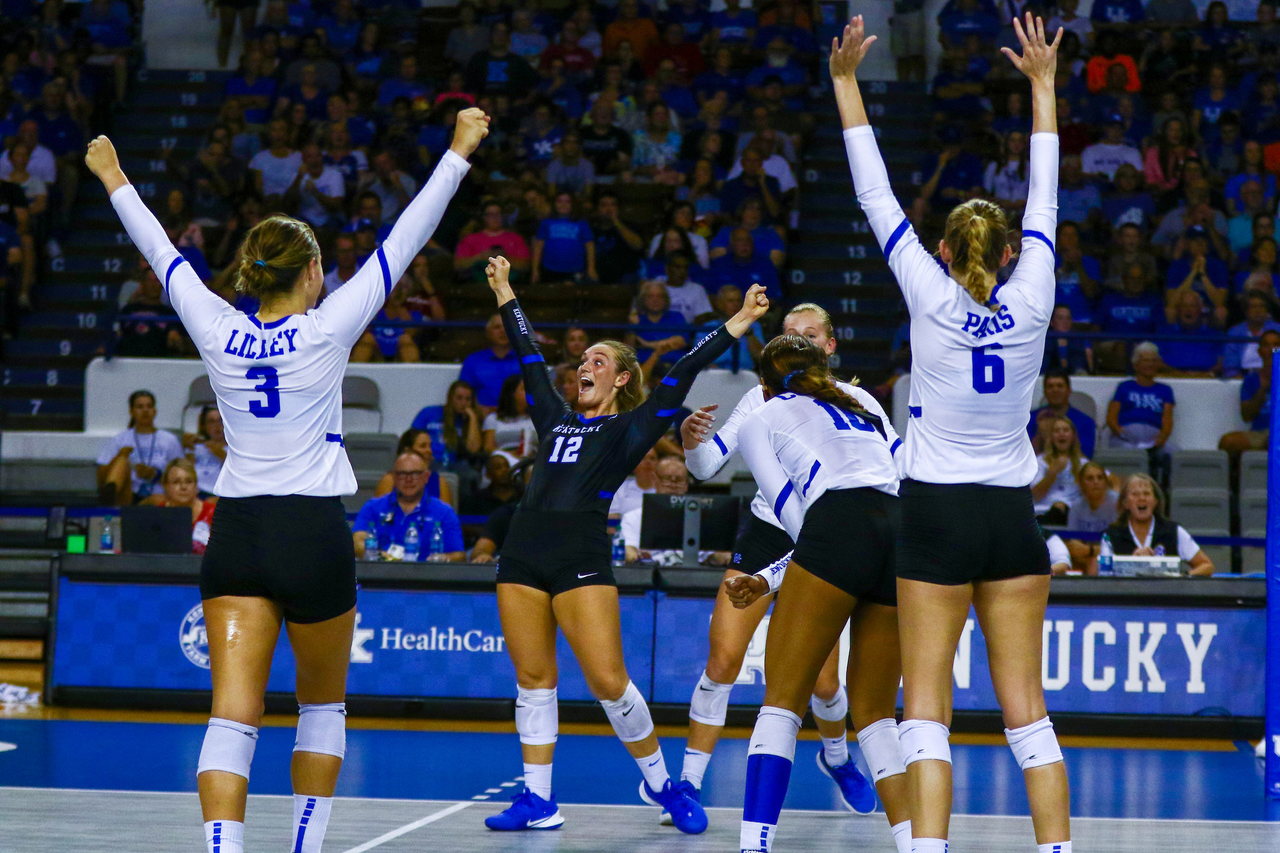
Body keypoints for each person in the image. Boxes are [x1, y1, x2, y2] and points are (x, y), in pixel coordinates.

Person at [85, 107, 488, 853]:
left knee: (231, 715)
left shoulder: (212, 323)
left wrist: (113, 177)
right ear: (310, 273)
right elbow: (406, 241)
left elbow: (159, 248)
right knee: (322, 708)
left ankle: (222, 849)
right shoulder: (329, 325)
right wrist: (459, 152)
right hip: (311, 531)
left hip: (236, 531)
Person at [833, 15, 1071, 853]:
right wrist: (1042, 85)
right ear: (1008, 254)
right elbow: (1046, 192)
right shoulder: (1035, 289)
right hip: (1010, 515)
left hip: (933, 511)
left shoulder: (929, 296)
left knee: (924, 709)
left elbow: (873, 195)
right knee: (1028, 714)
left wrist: (845, 82)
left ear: (944, 249)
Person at [479, 253, 768, 835]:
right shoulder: (552, 415)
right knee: (533, 681)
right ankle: (539, 801)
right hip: (522, 554)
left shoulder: (630, 427)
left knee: (610, 683)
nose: (585, 365)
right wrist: (505, 290)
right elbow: (528, 352)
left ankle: (663, 786)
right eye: (583, 360)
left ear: (621, 379)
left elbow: (683, 368)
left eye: (599, 360)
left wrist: (737, 322)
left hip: (580, 557)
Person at [679, 302, 898, 821]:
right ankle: (686, 784)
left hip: (831, 539)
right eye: (788, 334)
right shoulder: (761, 399)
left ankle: (838, 759)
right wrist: (691, 445)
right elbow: (709, 465)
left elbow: (894, 475)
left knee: (823, 683)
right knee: (723, 659)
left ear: (829, 346)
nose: (796, 341)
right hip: (770, 532)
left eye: (809, 334)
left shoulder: (858, 401)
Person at [352, 450, 466, 562]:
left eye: (415, 473)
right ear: (394, 478)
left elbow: (458, 555)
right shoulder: (373, 507)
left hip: (427, 577)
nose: (409, 480)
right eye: (403, 474)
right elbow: (357, 544)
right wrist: (384, 558)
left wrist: (436, 560)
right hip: (381, 574)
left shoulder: (444, 512)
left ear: (426, 477)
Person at [620, 455, 731, 566]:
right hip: (649, 576)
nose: (673, 485)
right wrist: (633, 555)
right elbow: (628, 551)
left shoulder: (704, 518)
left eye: (679, 480)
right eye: (667, 478)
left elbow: (713, 556)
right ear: (655, 479)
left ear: (687, 484)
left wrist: (722, 557)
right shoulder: (633, 517)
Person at [1103, 474, 1214, 576]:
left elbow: (1207, 566)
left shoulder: (1173, 531)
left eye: (1147, 493)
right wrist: (1132, 564)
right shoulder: (1111, 536)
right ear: (1125, 503)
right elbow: (1104, 576)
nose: (1142, 498)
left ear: (1155, 501)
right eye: (1135, 494)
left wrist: (1181, 577)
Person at [96, 389, 187, 506]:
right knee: (122, 461)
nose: (145, 410)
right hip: (128, 494)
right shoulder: (120, 439)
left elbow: (182, 475)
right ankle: (107, 503)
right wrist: (120, 456)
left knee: (158, 499)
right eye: (140, 407)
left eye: (149, 406)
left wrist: (156, 475)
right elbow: (100, 478)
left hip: (160, 495)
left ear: (154, 411)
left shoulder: (169, 440)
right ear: (132, 412)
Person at [1219, 329, 1280, 458]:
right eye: (1266, 345)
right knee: (1228, 442)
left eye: (1276, 344)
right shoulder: (1251, 380)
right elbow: (1247, 416)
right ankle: (1237, 477)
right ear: (1259, 352)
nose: (1271, 349)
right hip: (1259, 433)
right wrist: (1263, 388)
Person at [1106, 342, 1175, 451]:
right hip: (1126, 436)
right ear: (1135, 365)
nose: (1150, 364)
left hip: (1153, 436)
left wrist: (1162, 437)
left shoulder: (1165, 390)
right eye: (1146, 360)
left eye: (1154, 361)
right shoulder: (1124, 386)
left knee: (1174, 453)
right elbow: (1111, 418)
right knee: (1129, 451)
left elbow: (1167, 420)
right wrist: (1121, 432)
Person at [142, 458, 218, 554]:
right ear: (165, 486)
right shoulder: (157, 514)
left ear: (196, 486)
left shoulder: (214, 513)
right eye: (176, 482)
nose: (183, 487)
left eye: (189, 481)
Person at [411, 380, 484, 472]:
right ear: (450, 398)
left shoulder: (468, 421)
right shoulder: (429, 413)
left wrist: (472, 417)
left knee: (470, 475)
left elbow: (473, 449)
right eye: (459, 398)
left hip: (455, 463)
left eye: (468, 399)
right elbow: (412, 439)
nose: (463, 402)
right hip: (430, 459)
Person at [459, 313, 521, 413]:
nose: (502, 331)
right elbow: (463, 393)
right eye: (497, 327)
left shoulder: (526, 360)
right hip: (481, 417)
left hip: (519, 419)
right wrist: (478, 410)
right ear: (488, 333)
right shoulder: (473, 360)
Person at [371, 429, 452, 506]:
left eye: (430, 446)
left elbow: (446, 518)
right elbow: (379, 516)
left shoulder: (440, 483)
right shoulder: (389, 481)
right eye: (423, 446)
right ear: (408, 450)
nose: (429, 450)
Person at [1064, 461, 1119, 574]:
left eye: (1100, 477)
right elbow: (1073, 545)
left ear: (1106, 482)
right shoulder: (1076, 507)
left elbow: (1120, 545)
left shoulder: (1118, 504)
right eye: (1090, 478)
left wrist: (1090, 551)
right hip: (1084, 557)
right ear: (1081, 484)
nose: (1096, 482)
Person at [1028, 369, 1096, 458]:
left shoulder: (1086, 422)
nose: (1055, 390)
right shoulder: (1030, 419)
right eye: (1050, 386)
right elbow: (1024, 455)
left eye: (1060, 386)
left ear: (1069, 391)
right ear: (1045, 392)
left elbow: (1086, 455)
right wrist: (1040, 434)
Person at [1031, 417, 1086, 524]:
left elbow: (1110, 481)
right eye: (1057, 431)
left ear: (1073, 436)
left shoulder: (1083, 464)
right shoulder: (1039, 462)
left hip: (1073, 515)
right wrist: (1052, 473)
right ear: (1051, 437)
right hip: (1043, 513)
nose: (1062, 434)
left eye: (1065, 430)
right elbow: (1035, 496)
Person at [532, 192, 596, 283]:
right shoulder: (546, 223)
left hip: (575, 269)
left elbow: (589, 246)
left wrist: (591, 268)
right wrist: (535, 270)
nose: (563, 205)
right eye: (559, 201)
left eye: (567, 202)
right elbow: (538, 247)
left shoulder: (582, 223)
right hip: (550, 269)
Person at [1223, 291, 1280, 378]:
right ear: (1246, 310)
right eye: (1253, 307)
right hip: (1243, 378)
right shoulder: (1235, 332)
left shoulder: (1277, 330)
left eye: (1261, 306)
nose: (1258, 311)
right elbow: (1230, 365)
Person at [483, 374, 537, 456]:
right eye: (525, 389)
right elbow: (488, 448)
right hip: (502, 459)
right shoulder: (493, 419)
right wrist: (509, 454)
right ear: (512, 392)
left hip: (531, 459)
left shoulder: (538, 419)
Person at [185, 405, 227, 498]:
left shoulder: (235, 449)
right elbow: (186, 472)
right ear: (204, 426)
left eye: (220, 420)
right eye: (211, 421)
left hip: (222, 495)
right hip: (196, 494)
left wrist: (221, 454)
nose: (217, 426)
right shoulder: (196, 447)